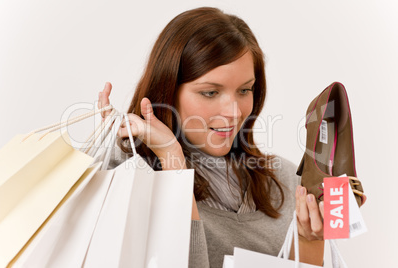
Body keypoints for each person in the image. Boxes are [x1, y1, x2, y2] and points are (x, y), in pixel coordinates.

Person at [97, 7, 365, 268]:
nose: (234, 112)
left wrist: (308, 238)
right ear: (168, 91)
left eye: (245, 90)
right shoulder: (129, 178)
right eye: (211, 92)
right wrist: (172, 158)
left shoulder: (283, 181)